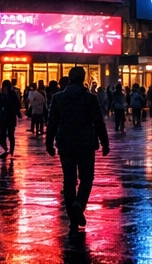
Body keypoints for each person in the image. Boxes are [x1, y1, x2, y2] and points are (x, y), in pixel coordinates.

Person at [45, 66, 109, 229]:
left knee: (69, 180)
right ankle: (79, 204)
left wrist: (49, 142)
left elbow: (52, 122)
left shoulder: (58, 98)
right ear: (82, 78)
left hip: (65, 143)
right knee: (86, 178)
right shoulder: (90, 99)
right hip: (85, 143)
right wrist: (105, 142)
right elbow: (98, 123)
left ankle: (72, 217)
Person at [0, 79, 21, 155]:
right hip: (5, 117)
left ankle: (11, 151)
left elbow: (17, 105)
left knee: (10, 134)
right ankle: (6, 149)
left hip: (9, 117)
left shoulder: (12, 95)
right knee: (3, 135)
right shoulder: (1, 95)